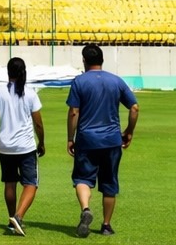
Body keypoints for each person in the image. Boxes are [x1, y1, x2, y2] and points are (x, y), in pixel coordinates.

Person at [66, 44, 139, 238]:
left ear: (84, 60)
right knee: (109, 184)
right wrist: (129, 131)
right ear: (102, 60)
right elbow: (134, 108)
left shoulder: (79, 82)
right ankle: (106, 225)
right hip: (112, 140)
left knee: (82, 179)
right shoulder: (116, 81)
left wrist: (70, 139)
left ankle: (86, 209)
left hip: (87, 139)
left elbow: (74, 111)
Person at [0, 57, 45, 237]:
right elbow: (38, 124)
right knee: (31, 183)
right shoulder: (30, 93)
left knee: (9, 183)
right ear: (23, 72)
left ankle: (11, 220)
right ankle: (18, 217)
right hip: (25, 146)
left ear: (8, 71)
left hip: (5, 146)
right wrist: (41, 142)